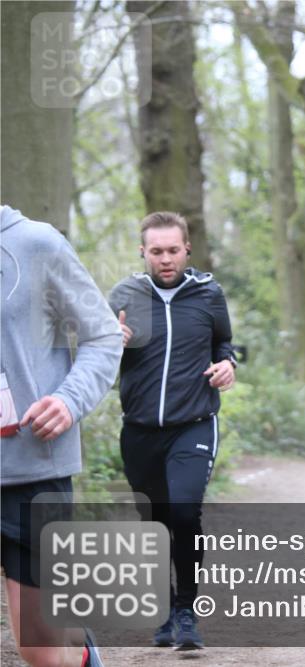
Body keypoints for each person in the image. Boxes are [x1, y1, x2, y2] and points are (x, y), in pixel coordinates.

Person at [109, 211, 237, 651]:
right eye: (157, 251)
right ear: (143, 252)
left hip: (194, 423)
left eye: (173, 250)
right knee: (154, 522)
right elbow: (94, 355)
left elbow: (224, 341)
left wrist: (228, 364)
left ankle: (186, 614)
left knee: (184, 512)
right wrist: (113, 342)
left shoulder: (208, 294)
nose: (166, 259)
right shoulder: (124, 295)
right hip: (140, 429)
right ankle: (163, 612)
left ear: (187, 249)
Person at [1, 204, 122, 667]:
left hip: (30, 470)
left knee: (42, 652)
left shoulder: (37, 243)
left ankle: (82, 653)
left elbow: (104, 335)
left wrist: (69, 400)